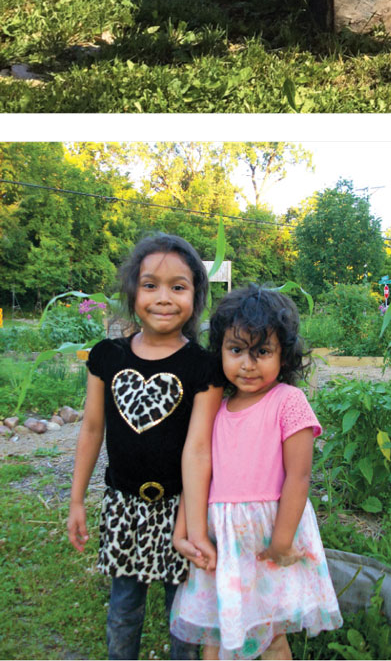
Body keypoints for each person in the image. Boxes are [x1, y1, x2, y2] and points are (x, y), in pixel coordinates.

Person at [67, 233, 222, 661]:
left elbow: (200, 449)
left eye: (179, 286)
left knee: (185, 615)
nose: (163, 297)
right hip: (122, 507)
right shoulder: (107, 356)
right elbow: (91, 429)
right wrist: (76, 499)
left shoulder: (203, 367)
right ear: (133, 290)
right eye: (150, 284)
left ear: (195, 296)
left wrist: (193, 523)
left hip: (181, 511)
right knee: (123, 610)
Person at [171, 284, 341, 660]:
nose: (247, 364)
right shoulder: (215, 406)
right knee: (217, 634)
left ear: (285, 355)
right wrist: (183, 529)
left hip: (268, 539)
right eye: (236, 350)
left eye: (261, 352)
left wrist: (281, 541)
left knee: (271, 635)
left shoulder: (289, 402)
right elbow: (200, 474)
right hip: (224, 543)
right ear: (220, 352)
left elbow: (298, 477)